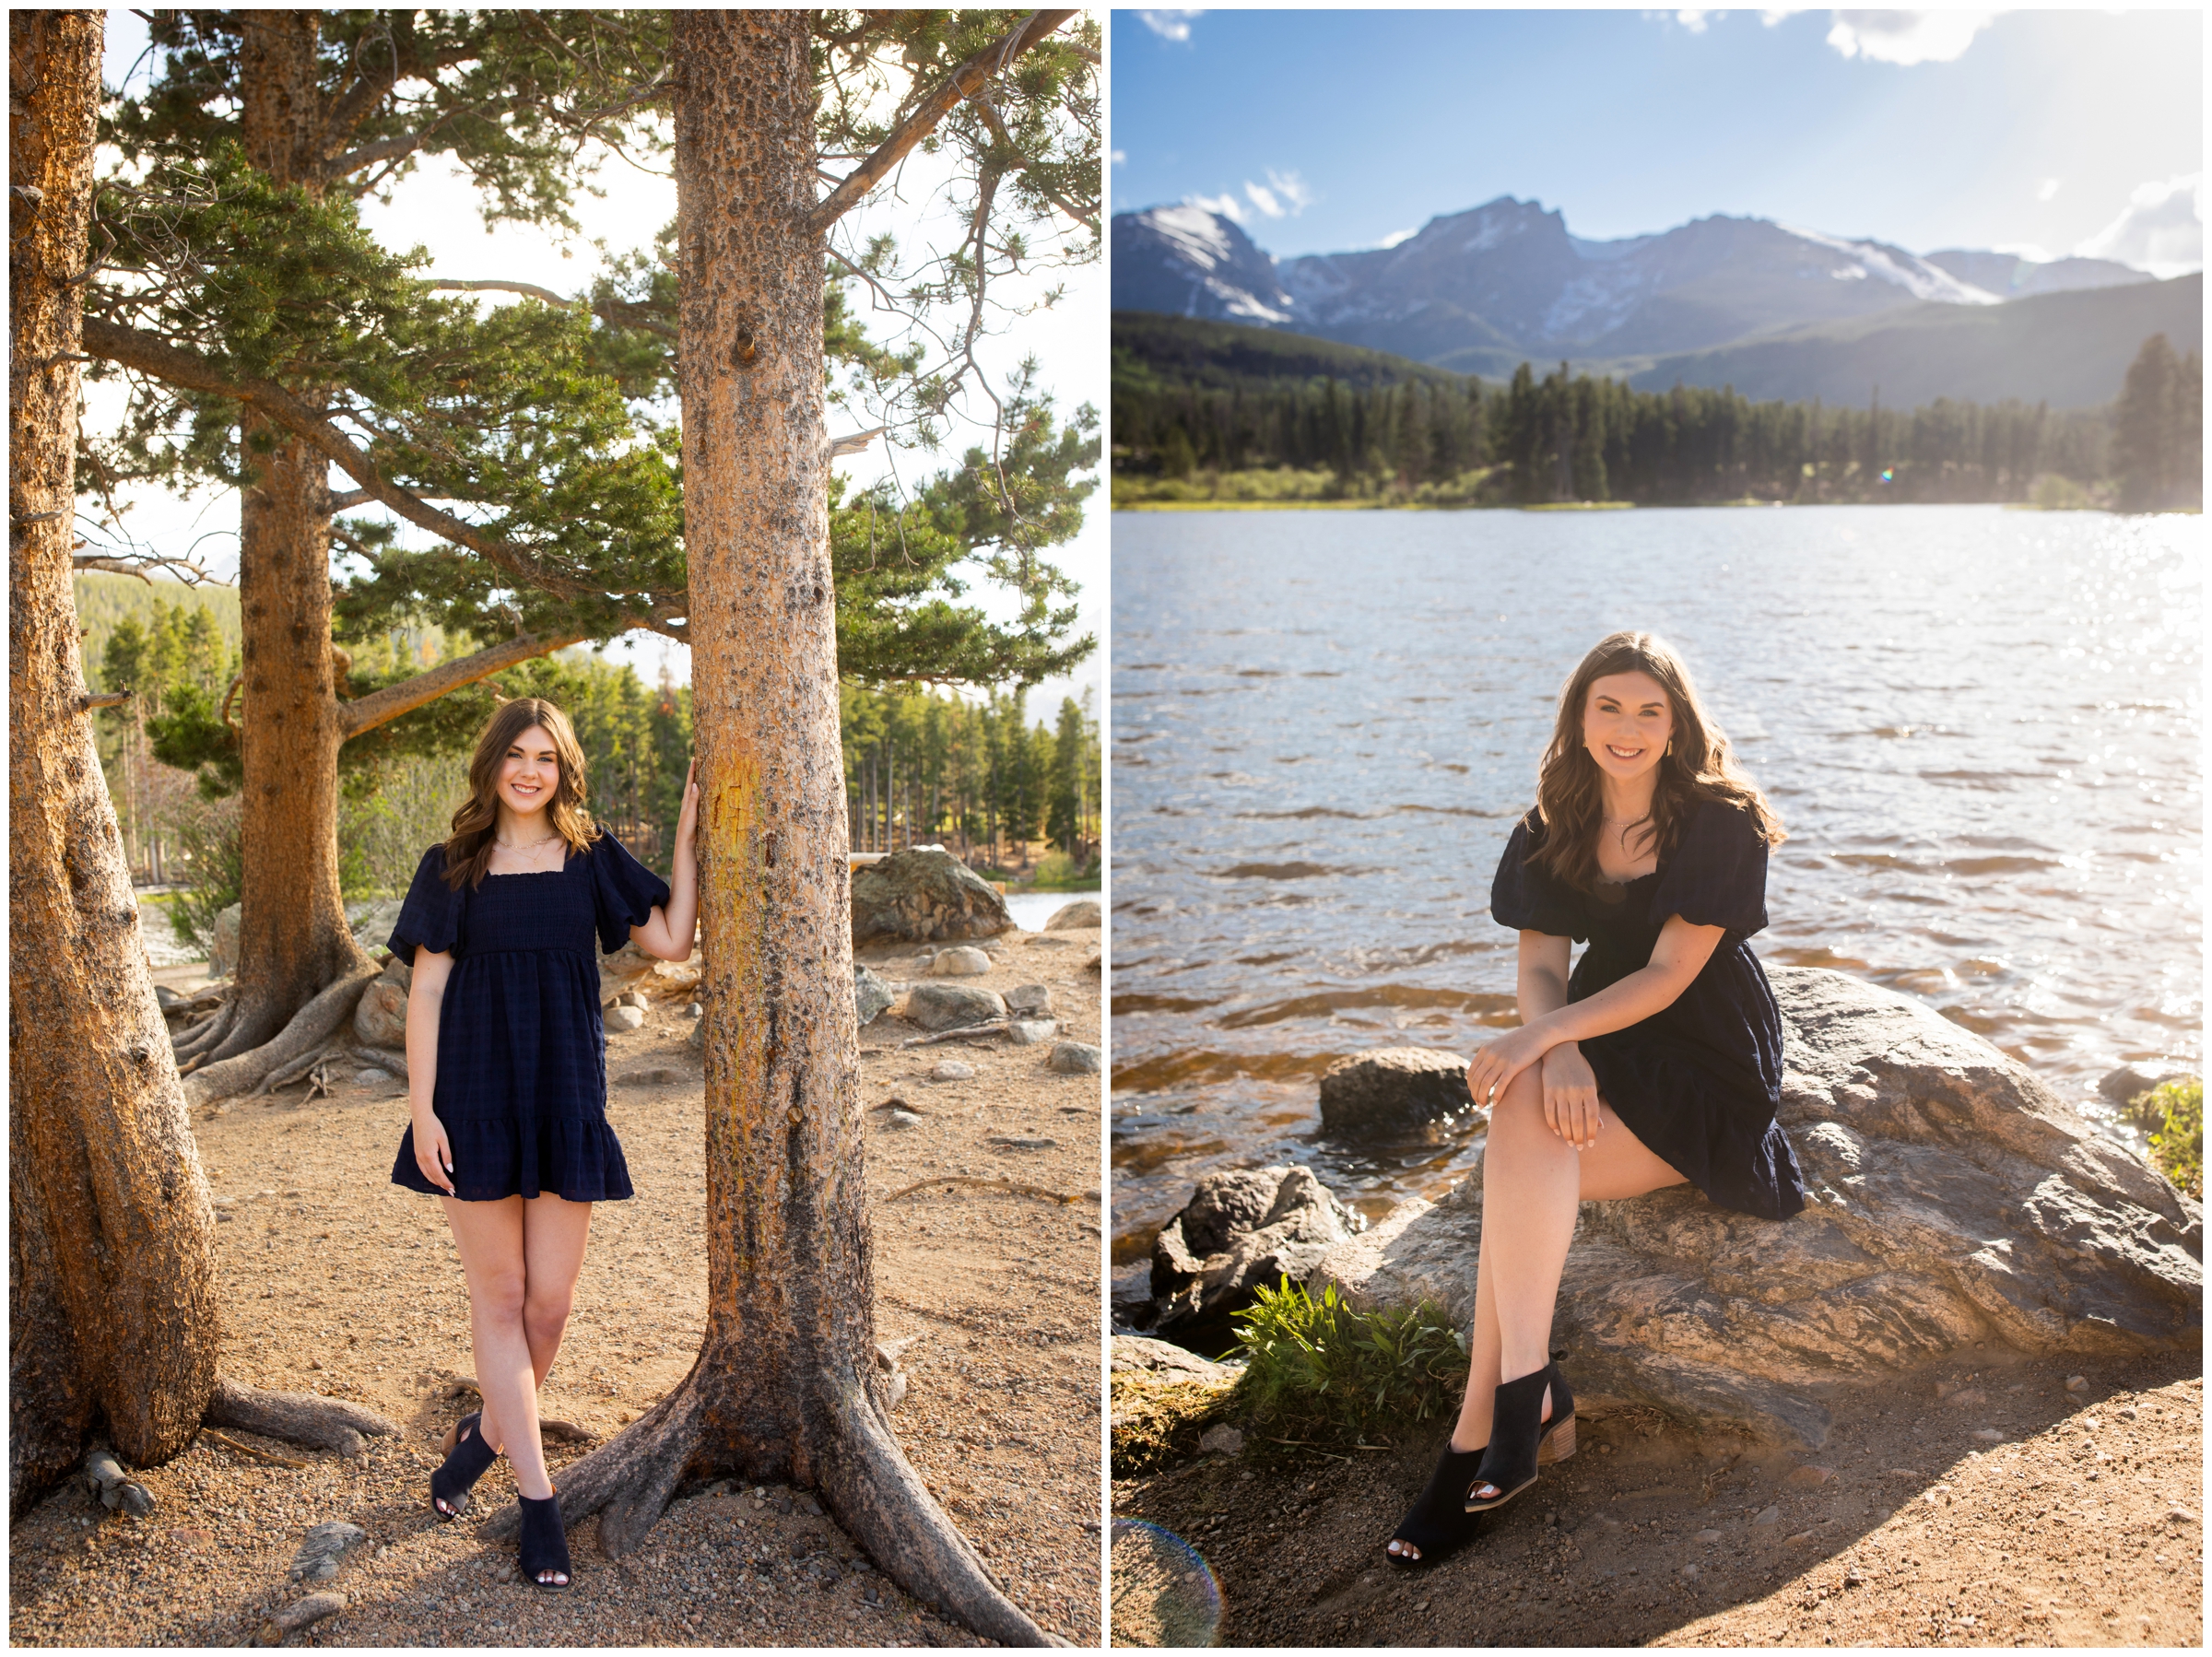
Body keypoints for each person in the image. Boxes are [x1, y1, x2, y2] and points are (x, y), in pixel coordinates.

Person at [1387, 630, 1800, 1566]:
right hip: (1601, 1038)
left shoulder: (1719, 821)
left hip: (1703, 1054)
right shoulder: (1552, 823)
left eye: (1649, 710)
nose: (1628, 727)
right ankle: (1523, 1402)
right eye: (1608, 706)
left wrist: (1547, 1036)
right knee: (1522, 1127)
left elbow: (1667, 973)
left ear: (1676, 723)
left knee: (1514, 1158)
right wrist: (1559, 1048)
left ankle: (1486, 1427)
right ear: (1579, 717)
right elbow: (1540, 964)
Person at [390, 697, 699, 1589]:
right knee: (501, 1297)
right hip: (474, 1103)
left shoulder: (591, 858)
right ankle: (537, 1502)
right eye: (516, 754)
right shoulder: (450, 869)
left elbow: (672, 940)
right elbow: (427, 996)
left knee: (550, 1305)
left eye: (547, 757)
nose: (531, 770)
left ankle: (478, 1445)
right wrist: (423, 1110)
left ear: (563, 770)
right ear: (492, 766)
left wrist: (688, 834)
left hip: (564, 1100)